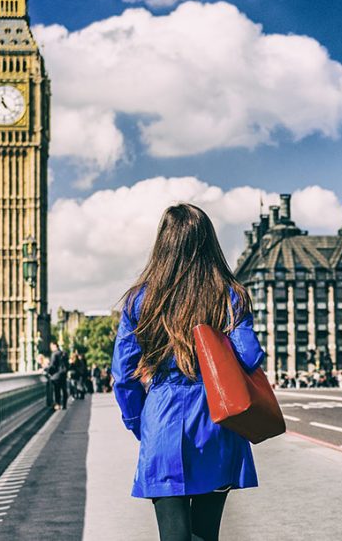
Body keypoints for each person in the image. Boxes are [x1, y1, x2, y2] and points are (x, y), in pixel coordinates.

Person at [112, 203, 264, 541]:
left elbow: (123, 376)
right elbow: (250, 357)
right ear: (208, 243)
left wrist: (139, 423)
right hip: (216, 422)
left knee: (173, 536)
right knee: (206, 535)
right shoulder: (229, 295)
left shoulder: (140, 300)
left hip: (163, 419)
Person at [48, 341, 69, 410]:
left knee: (57, 391)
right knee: (64, 389)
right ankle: (65, 405)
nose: (51, 348)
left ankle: (58, 404)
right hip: (63, 374)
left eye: (51, 347)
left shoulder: (54, 354)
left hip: (56, 375)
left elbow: (52, 365)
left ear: (54, 346)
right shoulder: (64, 353)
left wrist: (48, 372)